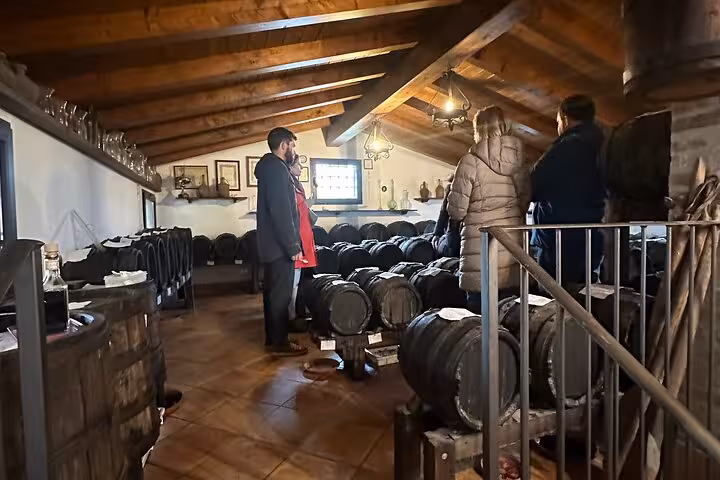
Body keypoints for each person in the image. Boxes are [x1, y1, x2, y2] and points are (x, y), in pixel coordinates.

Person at [447, 106, 530, 314]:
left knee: (481, 326)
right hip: (512, 252)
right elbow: (525, 203)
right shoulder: (519, 162)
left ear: (478, 129)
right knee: (511, 319)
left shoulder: (469, 162)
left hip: (480, 256)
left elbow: (457, 212)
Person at [531, 95, 605, 285]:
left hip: (559, 242)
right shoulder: (605, 143)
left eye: (557, 121)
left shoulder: (564, 148)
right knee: (583, 296)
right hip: (593, 237)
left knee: (553, 301)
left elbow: (534, 185)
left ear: (564, 119)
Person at [254, 127, 307, 356]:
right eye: (292, 145)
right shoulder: (276, 169)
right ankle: (279, 343)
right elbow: (281, 211)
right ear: (284, 145)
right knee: (280, 296)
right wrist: (293, 246)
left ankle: (274, 338)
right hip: (279, 247)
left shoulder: (270, 168)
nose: (293, 150)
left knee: (273, 294)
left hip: (272, 245)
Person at [287, 153, 317, 326]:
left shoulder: (298, 187)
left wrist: (315, 188)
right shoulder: (289, 187)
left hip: (306, 238)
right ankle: (290, 318)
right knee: (294, 282)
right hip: (298, 239)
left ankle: (298, 312)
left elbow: (308, 205)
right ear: (290, 167)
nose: (301, 167)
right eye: (298, 165)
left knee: (301, 280)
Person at [431, 174, 461, 258]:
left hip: (464, 232)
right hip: (455, 232)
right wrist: (437, 233)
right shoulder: (451, 189)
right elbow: (444, 212)